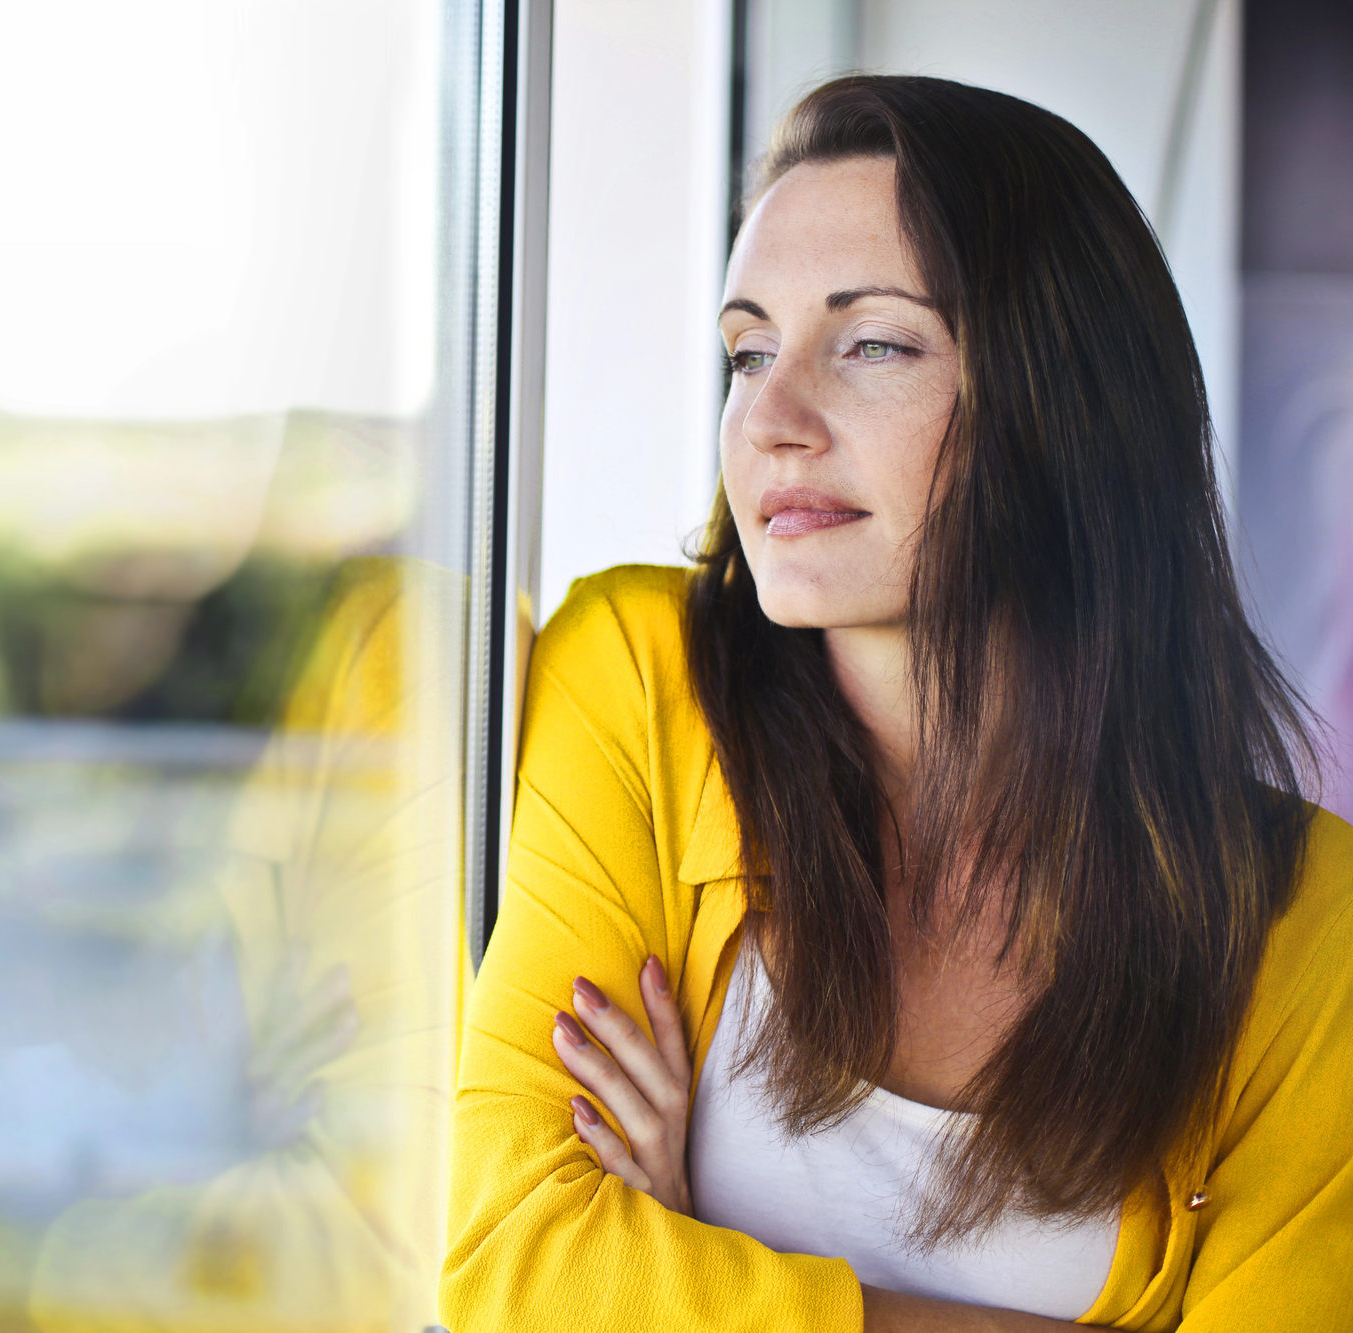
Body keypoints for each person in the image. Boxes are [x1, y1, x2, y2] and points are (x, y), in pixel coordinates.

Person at [441, 75, 1353, 1331]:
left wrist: (686, 1261)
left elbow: (590, 1289)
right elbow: (511, 1260)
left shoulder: (1312, 923)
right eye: (748, 350)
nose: (768, 419)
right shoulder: (637, 679)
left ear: (1063, 400)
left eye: (871, 342)